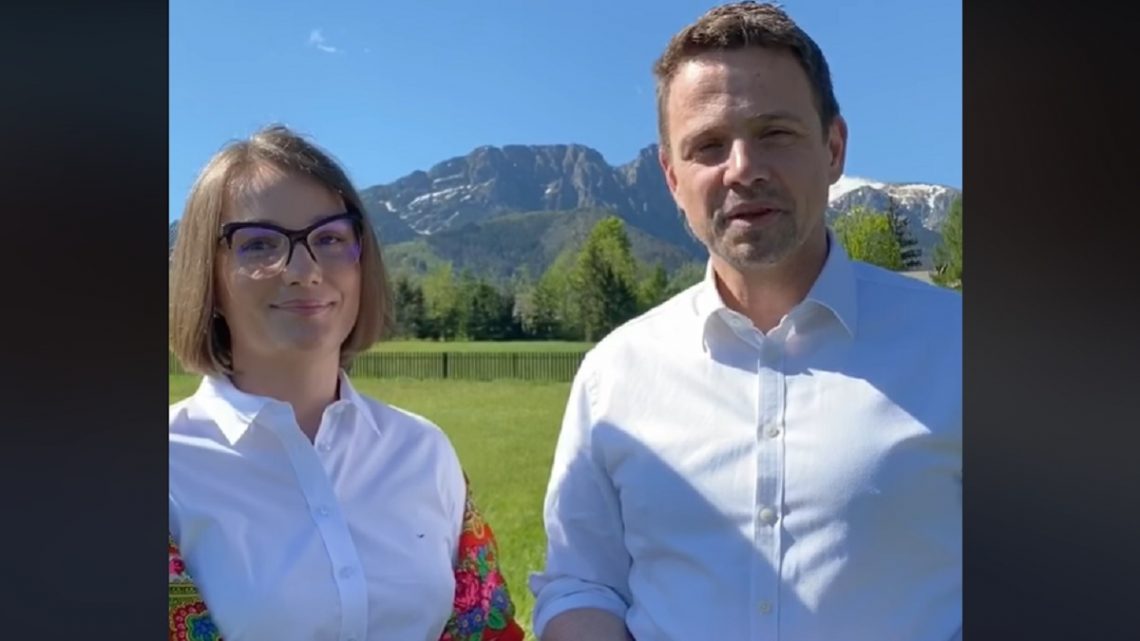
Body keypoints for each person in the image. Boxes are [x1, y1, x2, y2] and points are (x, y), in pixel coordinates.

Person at [528, 3, 962, 641]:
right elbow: (581, 582)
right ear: (672, 178)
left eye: (775, 133)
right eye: (708, 146)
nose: (742, 168)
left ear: (834, 148)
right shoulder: (615, 374)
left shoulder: (959, 347)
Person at [168, 125, 524, 641]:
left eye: (330, 238)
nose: (304, 270)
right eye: (260, 244)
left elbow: (486, 631)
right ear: (209, 278)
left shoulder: (423, 451)